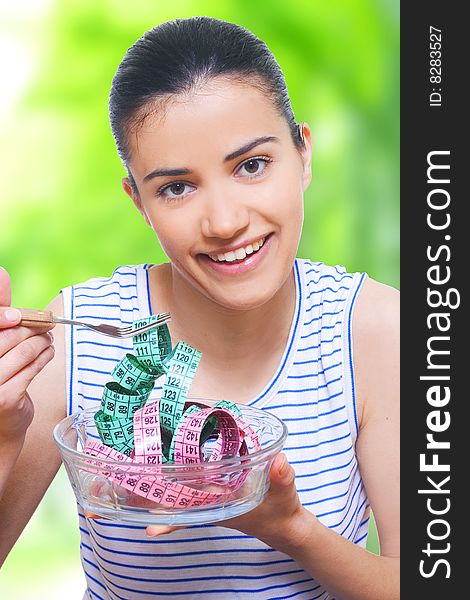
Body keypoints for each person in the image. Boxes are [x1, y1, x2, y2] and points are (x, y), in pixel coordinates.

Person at [0, 16, 399, 600]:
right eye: (176, 187)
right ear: (138, 200)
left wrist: (291, 529)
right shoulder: (87, 334)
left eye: (252, 165)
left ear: (303, 154)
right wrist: (5, 434)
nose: (225, 222)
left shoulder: (376, 331)